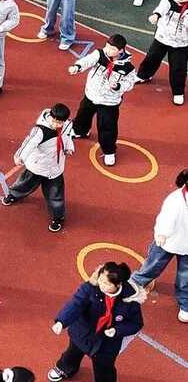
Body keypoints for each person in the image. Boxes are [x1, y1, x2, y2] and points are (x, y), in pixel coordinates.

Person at [47, 262, 145, 381]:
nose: (102, 285)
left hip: (107, 341)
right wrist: (62, 321)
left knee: (104, 366)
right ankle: (64, 368)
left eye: (107, 284)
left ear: (118, 285)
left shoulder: (130, 301)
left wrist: (117, 330)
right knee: (73, 352)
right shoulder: (90, 288)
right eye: (101, 280)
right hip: (83, 331)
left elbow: (136, 323)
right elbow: (77, 303)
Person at [68, 34, 138, 166]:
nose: (108, 50)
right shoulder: (100, 55)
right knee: (83, 114)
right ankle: (79, 130)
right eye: (107, 46)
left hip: (109, 102)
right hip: (91, 94)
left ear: (121, 50)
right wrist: (77, 67)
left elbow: (130, 83)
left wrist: (118, 86)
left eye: (112, 48)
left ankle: (109, 151)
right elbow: (87, 60)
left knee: (106, 126)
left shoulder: (128, 68)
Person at [128, 168, 188, 324]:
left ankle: (184, 302)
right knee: (154, 264)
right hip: (168, 242)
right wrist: (162, 233)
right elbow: (166, 219)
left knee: (185, 276)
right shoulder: (176, 200)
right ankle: (137, 281)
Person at [4, 103, 75, 233]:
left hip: (54, 168)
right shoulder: (40, 130)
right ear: (50, 117)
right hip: (37, 166)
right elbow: (29, 143)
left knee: (55, 194)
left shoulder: (67, 126)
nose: (55, 125)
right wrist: (20, 156)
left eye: (59, 123)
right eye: (53, 121)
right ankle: (14, 194)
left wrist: (69, 147)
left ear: (64, 121)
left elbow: (68, 138)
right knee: (25, 183)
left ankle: (58, 216)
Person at [136, 0, 188, 105]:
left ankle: (178, 91)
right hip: (162, 36)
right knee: (152, 57)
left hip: (181, 42)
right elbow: (161, 8)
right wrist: (156, 15)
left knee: (178, 67)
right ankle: (144, 75)